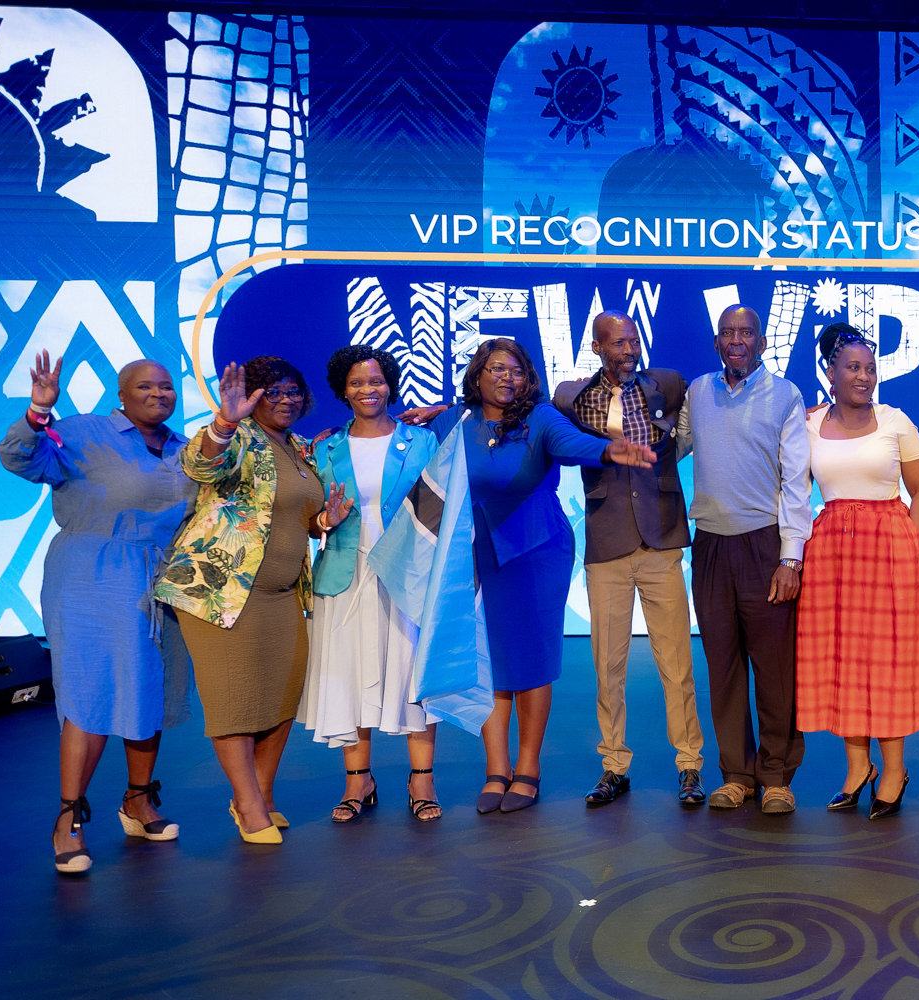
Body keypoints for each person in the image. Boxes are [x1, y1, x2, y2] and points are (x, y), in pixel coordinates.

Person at [406, 339, 656, 814]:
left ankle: (528, 767)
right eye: (497, 369)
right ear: (477, 375)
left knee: (532, 659)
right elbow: (407, 449)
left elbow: (571, 444)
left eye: (517, 370)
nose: (508, 377)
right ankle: (495, 769)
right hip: (476, 553)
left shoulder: (539, 418)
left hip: (536, 549)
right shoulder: (454, 420)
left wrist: (609, 451)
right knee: (490, 657)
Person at [0, 353, 196, 874]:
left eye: (166, 386)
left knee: (148, 689)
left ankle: (138, 801)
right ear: (122, 395)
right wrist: (39, 411)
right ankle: (68, 818)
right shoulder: (83, 432)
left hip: (158, 581)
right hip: (92, 576)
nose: (159, 393)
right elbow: (21, 459)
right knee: (88, 695)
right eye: (145, 386)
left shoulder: (184, 448)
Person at [154, 357, 349, 844]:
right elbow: (199, 464)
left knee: (281, 698)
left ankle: (261, 796)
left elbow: (297, 517)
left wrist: (324, 521)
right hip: (221, 592)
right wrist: (224, 422)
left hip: (283, 595)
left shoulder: (300, 448)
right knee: (234, 701)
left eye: (293, 391)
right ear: (252, 398)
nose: (286, 400)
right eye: (272, 392)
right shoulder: (236, 437)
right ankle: (247, 803)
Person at [551, 312, 706, 807]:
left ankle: (689, 765)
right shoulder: (570, 397)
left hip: (661, 541)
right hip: (606, 544)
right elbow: (520, 415)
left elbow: (719, 401)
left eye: (633, 341)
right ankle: (614, 766)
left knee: (677, 665)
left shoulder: (667, 384)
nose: (629, 351)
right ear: (597, 347)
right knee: (608, 666)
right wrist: (453, 409)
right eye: (618, 343)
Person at [796, 324, 919, 820]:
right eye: (853, 368)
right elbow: (794, 490)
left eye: (870, 368)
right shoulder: (808, 424)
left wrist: (910, 541)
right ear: (830, 373)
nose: (864, 376)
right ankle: (858, 768)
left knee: (885, 664)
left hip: (888, 550)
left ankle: (895, 771)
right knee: (843, 660)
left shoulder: (895, 421)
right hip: (831, 554)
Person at [675, 304, 812, 814]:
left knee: (774, 669)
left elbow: (796, 482)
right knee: (723, 666)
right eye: (728, 333)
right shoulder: (697, 392)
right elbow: (670, 447)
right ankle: (737, 774)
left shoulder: (785, 395)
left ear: (761, 342)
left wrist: (790, 559)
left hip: (765, 546)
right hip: (710, 544)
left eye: (746, 333)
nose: (737, 340)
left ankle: (775, 776)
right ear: (717, 342)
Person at [297, 346, 442, 822]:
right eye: (357, 382)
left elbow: (442, 507)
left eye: (376, 380)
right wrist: (325, 519)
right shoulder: (323, 448)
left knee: (413, 674)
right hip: (345, 572)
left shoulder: (421, 441)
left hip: (408, 573)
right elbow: (308, 519)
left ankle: (422, 781)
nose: (368, 390)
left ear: (390, 385)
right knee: (350, 674)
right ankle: (358, 781)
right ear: (342, 390)